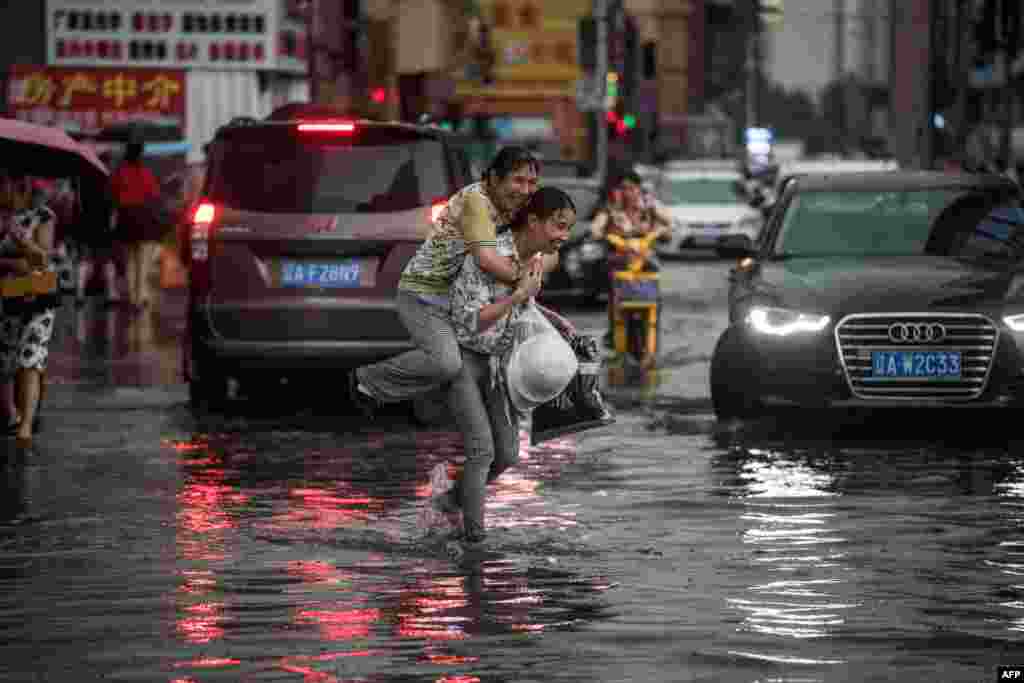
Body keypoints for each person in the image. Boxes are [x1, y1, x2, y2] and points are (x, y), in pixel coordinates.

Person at [349, 146, 544, 417]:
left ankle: (431, 402)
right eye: (518, 180)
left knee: (468, 367)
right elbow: (486, 258)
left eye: (532, 182)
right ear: (495, 178)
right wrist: (523, 278)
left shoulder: (514, 206)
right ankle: (367, 381)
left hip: (460, 301)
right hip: (425, 296)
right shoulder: (477, 201)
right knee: (446, 364)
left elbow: (545, 242)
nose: (525, 190)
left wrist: (537, 263)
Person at [437, 187, 579, 550]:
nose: (564, 236)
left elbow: (522, 305)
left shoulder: (533, 259)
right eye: (558, 226)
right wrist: (516, 295)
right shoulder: (490, 255)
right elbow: (470, 322)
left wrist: (551, 319)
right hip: (463, 356)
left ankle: (453, 501)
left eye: (568, 228)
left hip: (498, 362)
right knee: (483, 451)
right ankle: (475, 543)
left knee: (508, 454)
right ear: (533, 221)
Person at [0, 172, 60, 443]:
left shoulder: (43, 216)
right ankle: (12, 414)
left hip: (37, 295)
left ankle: (26, 424)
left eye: (11, 185)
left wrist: (21, 241)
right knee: (6, 358)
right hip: (6, 295)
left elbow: (42, 259)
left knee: (31, 357)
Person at [589, 169, 672, 347]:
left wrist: (663, 231)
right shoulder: (611, 208)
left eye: (632, 188)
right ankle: (614, 329)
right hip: (619, 260)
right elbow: (597, 227)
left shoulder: (650, 206)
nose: (628, 193)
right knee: (613, 285)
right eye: (624, 188)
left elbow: (669, 222)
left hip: (646, 259)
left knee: (654, 286)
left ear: (639, 189)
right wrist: (599, 232)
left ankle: (652, 328)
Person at [110, 142, 163, 310]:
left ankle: (134, 298)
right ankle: (141, 296)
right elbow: (154, 195)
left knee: (130, 260)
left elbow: (112, 194)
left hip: (125, 218)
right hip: (143, 218)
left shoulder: (119, 172)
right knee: (143, 260)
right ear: (140, 155)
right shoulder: (146, 173)